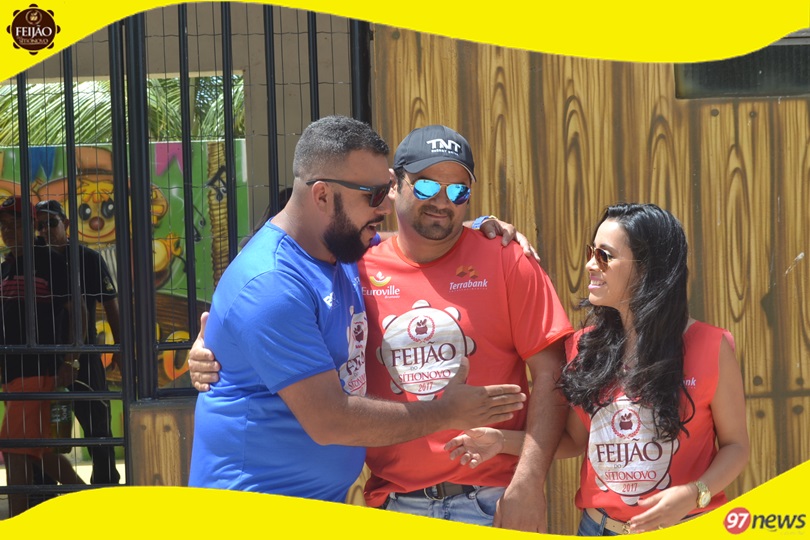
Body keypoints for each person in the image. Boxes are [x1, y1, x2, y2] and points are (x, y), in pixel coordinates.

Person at [190, 124, 574, 533]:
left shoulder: (343, 255)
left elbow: (551, 371)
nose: (384, 207)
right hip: (257, 514)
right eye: (375, 194)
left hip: (453, 505)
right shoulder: (281, 281)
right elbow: (330, 419)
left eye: (459, 191)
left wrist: (480, 229)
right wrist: (448, 412)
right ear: (323, 195)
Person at [444, 203, 750, 535]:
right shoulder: (583, 347)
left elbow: (736, 446)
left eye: (605, 256)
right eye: (591, 253)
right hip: (597, 528)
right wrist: (500, 441)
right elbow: (575, 441)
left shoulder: (711, 346)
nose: (590, 264)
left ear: (647, 267)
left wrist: (694, 494)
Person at [0, 195, 86, 516]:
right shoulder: (6, 267)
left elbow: (78, 310)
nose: (8, 230)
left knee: (15, 448)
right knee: (41, 450)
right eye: (3, 224)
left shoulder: (50, 261)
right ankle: (92, 501)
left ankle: (16, 525)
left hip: (38, 368)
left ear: (32, 225)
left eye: (15, 223)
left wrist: (72, 359)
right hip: (12, 373)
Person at [35, 199, 122, 485]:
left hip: (84, 353)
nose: (45, 230)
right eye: (39, 225)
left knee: (97, 424)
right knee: (42, 430)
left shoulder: (88, 258)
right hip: (43, 355)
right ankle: (44, 493)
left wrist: (121, 348)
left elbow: (110, 305)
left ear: (67, 224)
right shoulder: (33, 259)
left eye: (51, 223)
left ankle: (105, 485)